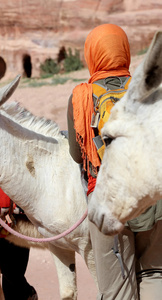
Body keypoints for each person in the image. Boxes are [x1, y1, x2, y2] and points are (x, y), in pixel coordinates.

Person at [67, 23, 162, 299]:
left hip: (107, 198)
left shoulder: (82, 97)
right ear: (124, 51)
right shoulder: (149, 90)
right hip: (152, 202)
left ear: (91, 54)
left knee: (118, 288)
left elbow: (77, 155)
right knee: (155, 275)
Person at [0, 177, 38, 300]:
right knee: (4, 269)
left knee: (14, 273)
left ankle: (28, 293)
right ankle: (28, 293)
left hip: (20, 220)